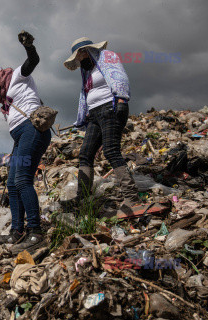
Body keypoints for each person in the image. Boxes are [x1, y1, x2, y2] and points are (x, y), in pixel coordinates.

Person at [0, 31, 51, 254]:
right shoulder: (4, 102)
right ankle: (17, 231)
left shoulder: (17, 77)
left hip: (33, 130)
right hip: (20, 137)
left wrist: (29, 46)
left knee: (22, 180)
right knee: (11, 184)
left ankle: (36, 232)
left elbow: (33, 61)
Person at [63, 37, 142, 215]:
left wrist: (121, 99)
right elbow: (86, 93)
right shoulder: (87, 71)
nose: (79, 60)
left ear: (86, 51)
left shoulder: (107, 57)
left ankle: (132, 197)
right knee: (85, 154)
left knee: (111, 150)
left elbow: (119, 75)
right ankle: (82, 198)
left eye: (79, 56)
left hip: (111, 107)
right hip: (94, 114)